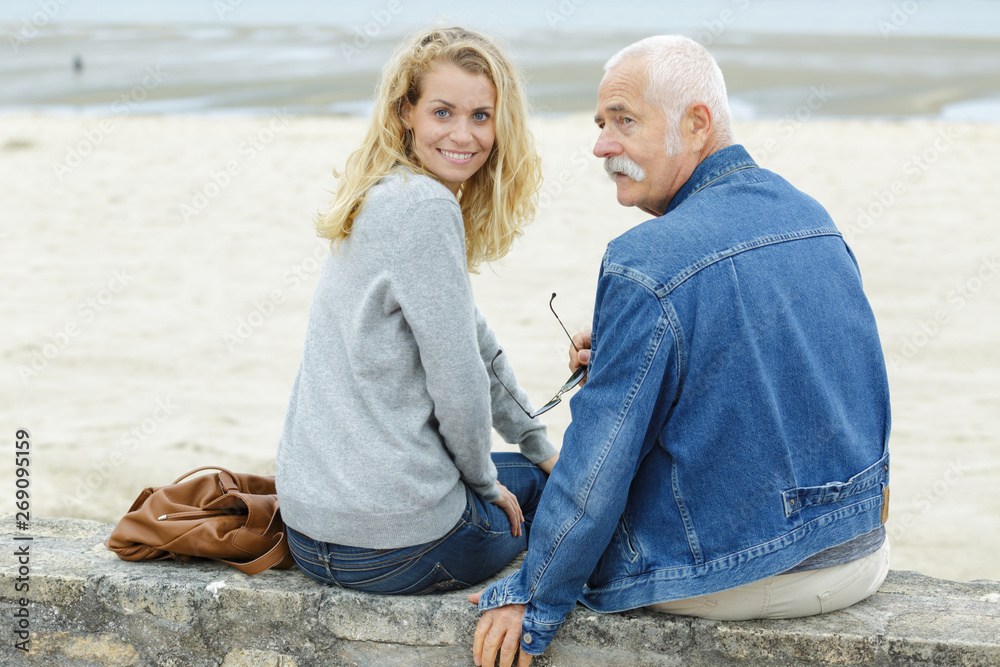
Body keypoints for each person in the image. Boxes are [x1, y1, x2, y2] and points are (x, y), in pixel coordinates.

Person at [471, 35, 891, 666]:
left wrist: (533, 597)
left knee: (506, 491)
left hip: (736, 576)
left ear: (697, 124)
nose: (601, 145)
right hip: (860, 557)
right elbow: (854, 388)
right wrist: (626, 355)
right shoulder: (814, 218)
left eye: (624, 122)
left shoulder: (644, 261)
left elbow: (598, 465)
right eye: (600, 124)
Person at [275, 27, 558, 597]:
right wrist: (485, 481)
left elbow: (474, 343)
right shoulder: (427, 208)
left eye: (482, 116)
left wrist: (534, 441)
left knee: (539, 468)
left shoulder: (379, 193)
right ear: (406, 111)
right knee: (571, 489)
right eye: (443, 112)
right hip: (399, 549)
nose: (464, 134)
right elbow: (460, 384)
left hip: (307, 534)